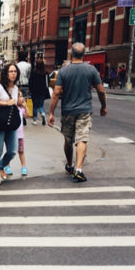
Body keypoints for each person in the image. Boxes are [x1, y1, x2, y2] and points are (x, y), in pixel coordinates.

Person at [48, 42, 107, 183]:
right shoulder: (91, 70)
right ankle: (79, 169)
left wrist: (51, 113)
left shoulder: (63, 71)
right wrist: (103, 106)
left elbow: (56, 93)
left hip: (67, 111)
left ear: (71, 54)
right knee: (82, 139)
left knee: (68, 140)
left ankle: (70, 165)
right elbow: (101, 90)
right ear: (84, 54)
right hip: (84, 110)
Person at [0, 63, 24, 185]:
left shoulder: (16, 88)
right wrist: (6, 103)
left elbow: (14, 104)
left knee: (13, 151)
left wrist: (19, 103)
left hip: (11, 123)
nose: (13, 74)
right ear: (6, 73)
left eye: (15, 71)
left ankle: (1, 166)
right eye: (11, 71)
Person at [29, 60, 50, 125]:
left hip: (34, 91)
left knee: (35, 106)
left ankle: (35, 121)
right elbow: (48, 82)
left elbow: (30, 82)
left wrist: (30, 90)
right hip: (42, 91)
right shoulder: (46, 73)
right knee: (41, 105)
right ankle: (42, 113)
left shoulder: (33, 72)